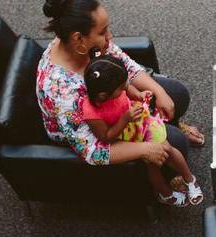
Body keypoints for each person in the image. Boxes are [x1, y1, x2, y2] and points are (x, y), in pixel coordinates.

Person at [36, 0, 204, 199]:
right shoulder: (61, 91)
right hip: (95, 129)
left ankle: (171, 125)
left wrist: (159, 92)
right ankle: (163, 180)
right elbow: (92, 151)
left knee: (177, 94)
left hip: (116, 101)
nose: (110, 37)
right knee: (176, 145)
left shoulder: (83, 45)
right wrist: (144, 149)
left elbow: (127, 66)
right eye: (102, 32)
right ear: (79, 38)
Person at [82, 51, 203, 206]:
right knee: (152, 165)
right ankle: (164, 193)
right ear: (103, 95)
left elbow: (128, 87)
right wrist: (125, 118)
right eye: (120, 88)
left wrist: (138, 95)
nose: (124, 88)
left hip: (141, 124)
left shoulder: (113, 86)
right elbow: (106, 136)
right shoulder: (91, 113)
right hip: (127, 136)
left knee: (168, 150)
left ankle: (189, 179)